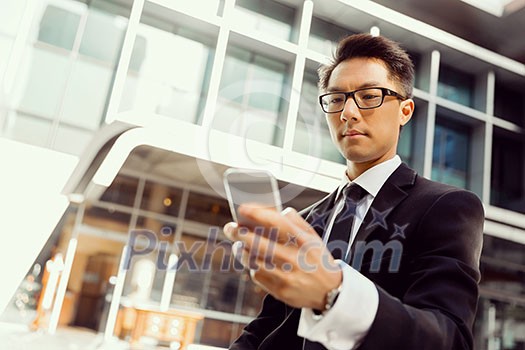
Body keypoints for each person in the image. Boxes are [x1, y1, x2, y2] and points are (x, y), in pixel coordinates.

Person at [223, 33, 484, 350]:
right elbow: (268, 328)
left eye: (369, 95)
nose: (348, 112)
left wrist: (335, 292)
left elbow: (449, 338)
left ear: (405, 110)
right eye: (336, 99)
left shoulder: (447, 207)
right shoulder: (306, 221)